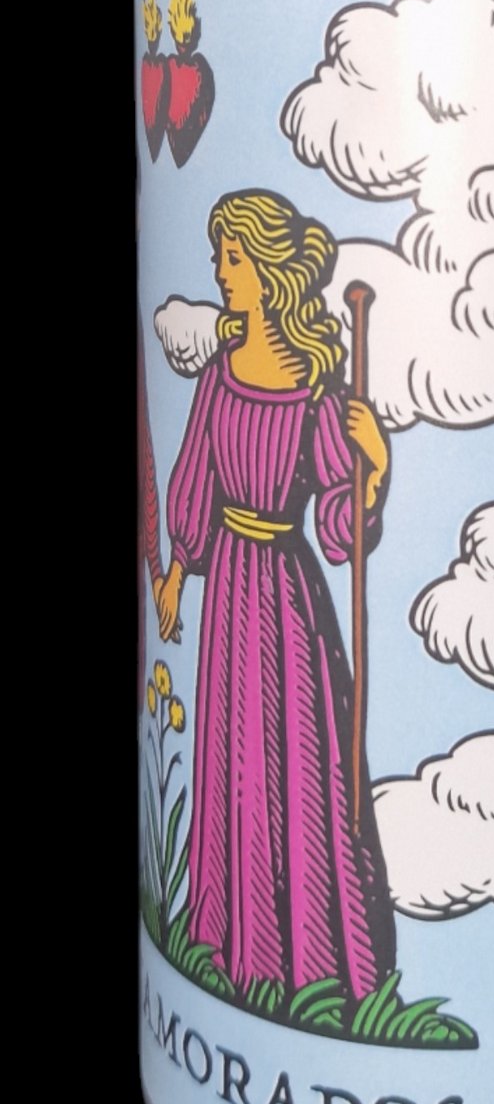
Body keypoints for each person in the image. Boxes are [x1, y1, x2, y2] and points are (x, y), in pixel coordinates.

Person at [156, 189, 395, 1001]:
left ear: (269, 270)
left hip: (287, 599)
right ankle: (233, 944)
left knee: (297, 763)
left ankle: (311, 960)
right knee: (236, 760)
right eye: (219, 256)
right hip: (229, 589)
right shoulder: (220, 376)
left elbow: (339, 529)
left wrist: (372, 470)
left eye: (233, 257)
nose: (221, 271)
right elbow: (195, 473)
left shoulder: (317, 393)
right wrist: (178, 569)